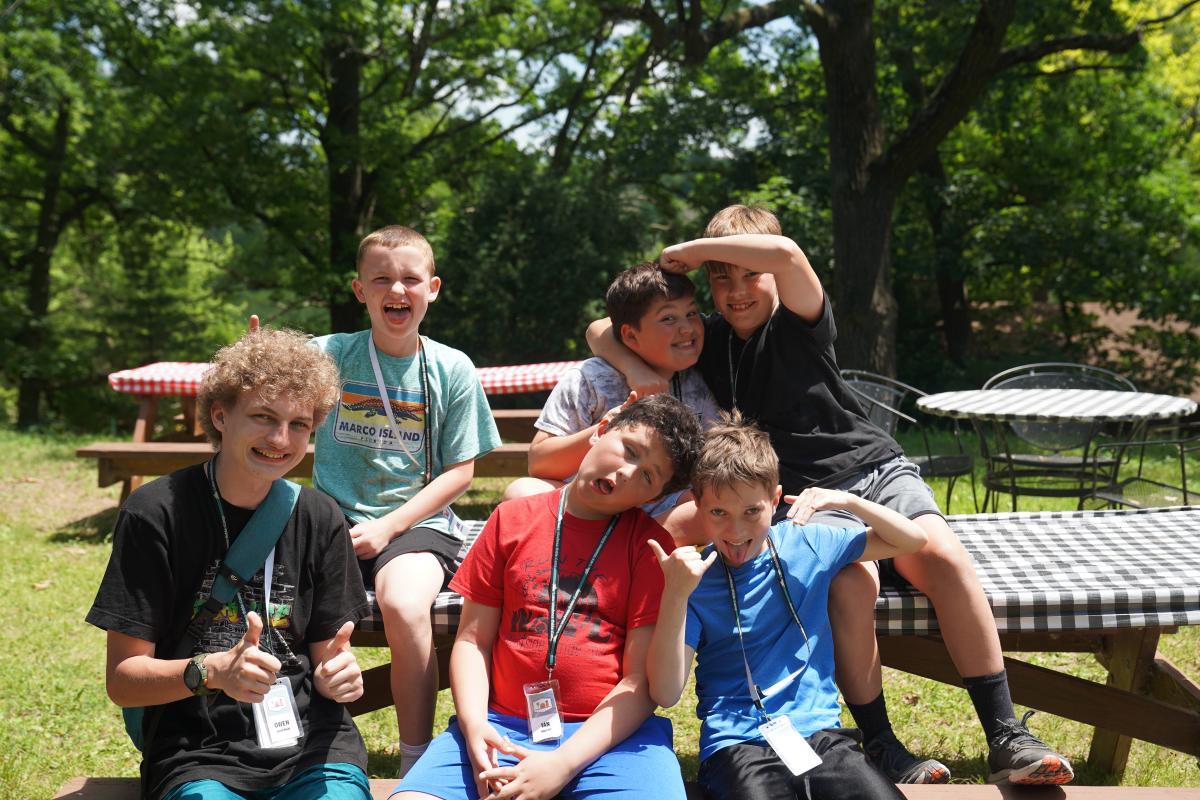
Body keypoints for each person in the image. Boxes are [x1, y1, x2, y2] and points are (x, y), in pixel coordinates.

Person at [588, 205, 1074, 786]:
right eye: (721, 278)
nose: (737, 291)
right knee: (850, 583)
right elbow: (600, 328)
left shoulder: (800, 319)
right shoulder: (709, 339)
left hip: (874, 470)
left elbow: (789, 255)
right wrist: (632, 368)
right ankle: (883, 744)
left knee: (941, 556)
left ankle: (1006, 734)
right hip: (805, 497)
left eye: (750, 274)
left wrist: (695, 252)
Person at [87, 327, 371, 800]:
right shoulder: (155, 513)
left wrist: (336, 675)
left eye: (299, 424)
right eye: (264, 417)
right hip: (197, 750)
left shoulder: (321, 517)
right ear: (220, 415)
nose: (280, 439)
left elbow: (328, 655)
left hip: (314, 748)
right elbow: (123, 681)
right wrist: (213, 671)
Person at [392, 394, 703, 800]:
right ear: (601, 431)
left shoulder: (648, 547)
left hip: (613, 736)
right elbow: (472, 641)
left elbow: (639, 681)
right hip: (500, 725)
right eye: (629, 450)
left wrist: (563, 763)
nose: (627, 471)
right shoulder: (510, 520)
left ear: (651, 497)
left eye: (648, 476)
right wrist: (474, 726)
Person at [648, 415, 926, 799]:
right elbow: (665, 693)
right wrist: (676, 596)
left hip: (822, 738)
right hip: (737, 745)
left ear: (775, 500)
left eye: (751, 511)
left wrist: (847, 500)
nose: (736, 532)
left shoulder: (807, 542)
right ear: (698, 506)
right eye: (718, 513)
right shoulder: (694, 580)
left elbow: (912, 540)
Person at [311, 224, 502, 776]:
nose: (397, 290)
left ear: (432, 289)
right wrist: (258, 357)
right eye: (381, 280)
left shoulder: (451, 367)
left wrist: (388, 527)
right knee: (284, 597)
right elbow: (265, 380)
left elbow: (461, 472)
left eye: (411, 279)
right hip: (332, 519)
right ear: (359, 290)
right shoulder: (329, 355)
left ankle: (414, 757)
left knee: (402, 604)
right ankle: (291, 737)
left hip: (418, 523)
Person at [505, 261, 721, 529]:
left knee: (708, 507)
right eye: (668, 318)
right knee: (521, 492)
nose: (687, 328)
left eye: (691, 313)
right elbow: (540, 463)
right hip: (586, 505)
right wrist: (605, 428)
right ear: (631, 336)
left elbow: (709, 464)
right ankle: (617, 542)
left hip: (655, 514)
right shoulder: (591, 378)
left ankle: (627, 542)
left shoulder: (700, 380)